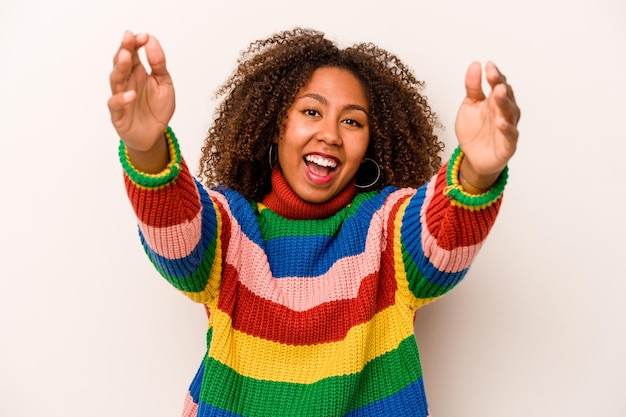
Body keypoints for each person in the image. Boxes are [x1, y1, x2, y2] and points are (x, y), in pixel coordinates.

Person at [108, 27, 520, 417]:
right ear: (275, 127)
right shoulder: (233, 227)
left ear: (369, 145)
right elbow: (177, 236)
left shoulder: (383, 229)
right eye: (311, 111)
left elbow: (441, 243)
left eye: (352, 121)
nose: (331, 134)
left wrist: (476, 175)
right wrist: (146, 148)